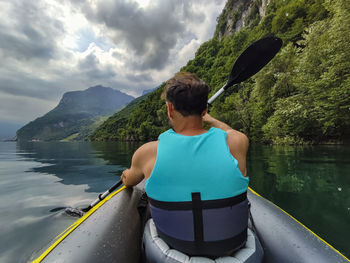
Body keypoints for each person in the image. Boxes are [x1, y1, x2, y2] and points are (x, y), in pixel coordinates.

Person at [121, 72, 249, 257]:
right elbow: (230, 132)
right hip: (233, 248)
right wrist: (210, 119)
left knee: (147, 211)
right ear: (204, 109)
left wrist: (125, 174)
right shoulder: (237, 142)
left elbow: (128, 180)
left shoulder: (147, 153)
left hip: (173, 251)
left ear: (170, 109)